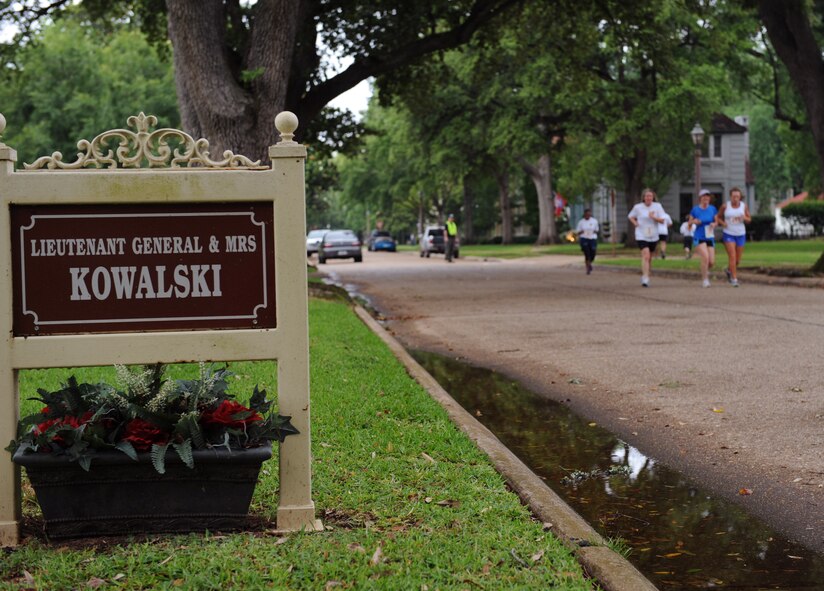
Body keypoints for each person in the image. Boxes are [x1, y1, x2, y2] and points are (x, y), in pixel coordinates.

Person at [627, 188, 666, 287]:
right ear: (643, 198)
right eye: (647, 196)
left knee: (650, 257)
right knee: (646, 255)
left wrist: (653, 217)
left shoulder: (658, 206)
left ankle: (647, 273)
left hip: (653, 235)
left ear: (653, 197)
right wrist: (635, 223)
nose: (649, 198)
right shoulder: (638, 207)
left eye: (650, 196)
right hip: (641, 234)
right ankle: (645, 278)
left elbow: (662, 220)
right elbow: (630, 216)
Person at [716, 186, 751, 287]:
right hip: (728, 233)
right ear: (730, 197)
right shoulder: (725, 206)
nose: (735, 198)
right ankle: (734, 279)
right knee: (732, 256)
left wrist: (744, 217)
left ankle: (728, 270)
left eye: (737, 197)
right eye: (734, 196)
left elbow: (749, 219)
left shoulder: (743, 206)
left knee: (737, 260)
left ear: (740, 197)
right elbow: (718, 217)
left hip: (740, 233)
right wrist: (723, 223)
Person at [689, 189, 719, 287]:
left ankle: (704, 270)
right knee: (705, 257)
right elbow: (689, 224)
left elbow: (716, 222)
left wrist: (714, 224)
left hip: (709, 236)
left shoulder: (712, 209)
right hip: (699, 236)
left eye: (707, 196)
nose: (706, 198)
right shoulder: (695, 210)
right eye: (703, 196)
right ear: (700, 198)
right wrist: (694, 222)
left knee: (711, 261)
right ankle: (705, 280)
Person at [575, 208, 599, 274]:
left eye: (589, 214)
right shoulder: (581, 222)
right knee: (587, 253)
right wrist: (582, 232)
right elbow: (577, 232)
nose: (588, 216)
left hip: (592, 238)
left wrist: (592, 231)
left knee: (593, 252)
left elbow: (597, 230)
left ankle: (590, 262)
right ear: (584, 215)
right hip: (584, 238)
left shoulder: (594, 221)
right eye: (586, 214)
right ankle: (588, 267)